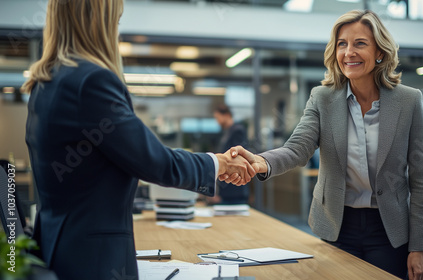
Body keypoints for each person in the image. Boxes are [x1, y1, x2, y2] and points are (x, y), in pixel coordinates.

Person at [21, 1, 252, 279]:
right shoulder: (91, 81)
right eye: (115, 22)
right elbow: (153, 160)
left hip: (59, 249)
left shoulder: (45, 83)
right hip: (94, 261)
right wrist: (218, 163)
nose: (116, 32)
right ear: (98, 21)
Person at [226, 9, 423, 280]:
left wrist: (418, 247)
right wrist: (261, 161)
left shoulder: (408, 101)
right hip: (337, 224)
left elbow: (420, 178)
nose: (349, 52)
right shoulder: (323, 98)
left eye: (360, 43)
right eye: (342, 44)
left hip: (389, 230)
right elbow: (297, 148)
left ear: (380, 52)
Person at [207, 104, 250, 205]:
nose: (217, 121)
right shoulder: (227, 133)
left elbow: (236, 161)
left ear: (226, 115)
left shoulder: (237, 130)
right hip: (226, 191)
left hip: (234, 192)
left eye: (218, 118)